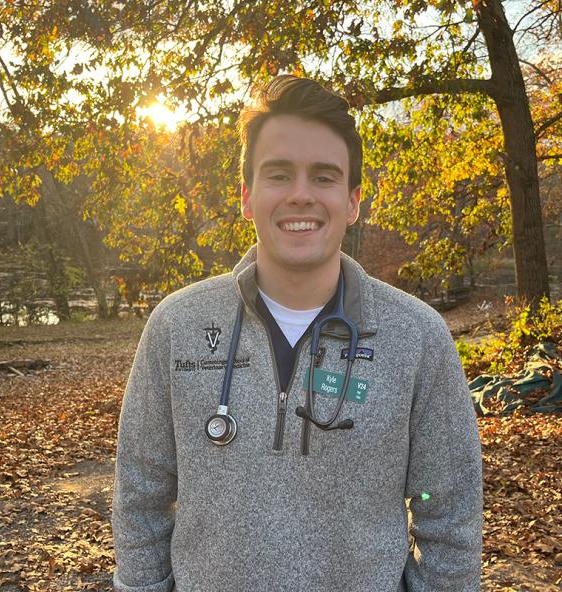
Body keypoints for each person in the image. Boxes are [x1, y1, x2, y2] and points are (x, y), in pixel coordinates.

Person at [113, 75, 482, 592]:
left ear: (353, 201)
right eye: (279, 174)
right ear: (247, 196)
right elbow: (142, 496)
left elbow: (447, 511)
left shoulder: (417, 337)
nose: (301, 195)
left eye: (325, 177)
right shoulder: (177, 327)